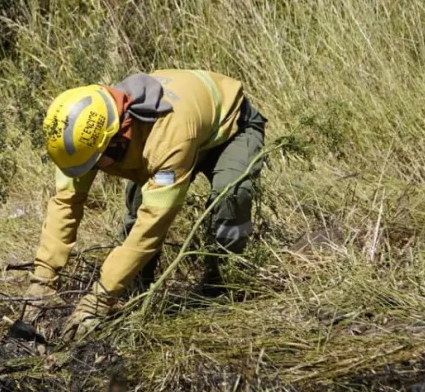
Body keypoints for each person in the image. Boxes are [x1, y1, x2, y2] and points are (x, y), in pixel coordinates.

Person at [25, 69, 267, 341]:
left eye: (95, 162)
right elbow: (66, 202)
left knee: (231, 194)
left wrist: (100, 298)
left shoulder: (168, 139)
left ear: (119, 135)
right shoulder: (85, 134)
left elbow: (152, 224)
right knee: (136, 204)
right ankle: (136, 291)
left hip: (230, 126)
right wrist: (42, 279)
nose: (91, 171)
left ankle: (221, 285)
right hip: (179, 127)